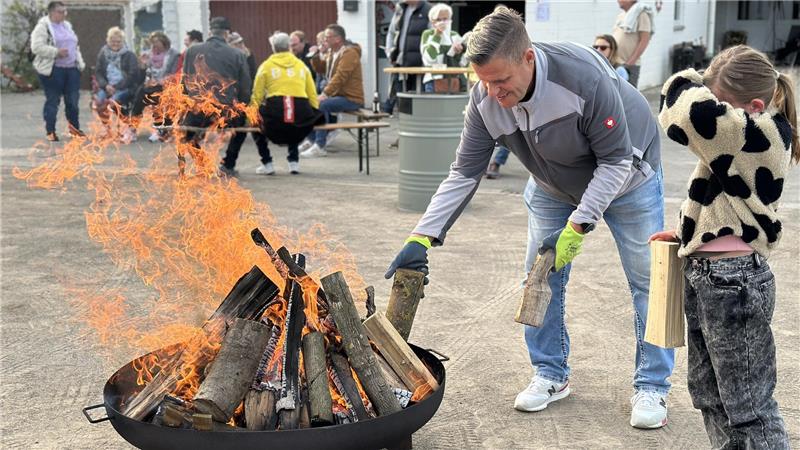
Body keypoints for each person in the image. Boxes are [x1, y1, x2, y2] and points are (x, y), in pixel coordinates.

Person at [385, 6, 674, 429]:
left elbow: (613, 163)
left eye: (502, 80)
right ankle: (551, 375)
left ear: (529, 58)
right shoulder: (485, 99)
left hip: (630, 176)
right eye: (485, 82)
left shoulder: (583, 79)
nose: (495, 93)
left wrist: (577, 227)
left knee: (650, 280)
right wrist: (422, 236)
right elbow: (464, 172)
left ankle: (654, 385)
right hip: (551, 184)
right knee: (538, 276)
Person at [651, 45, 797, 449]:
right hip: (710, 274)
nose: (716, 107)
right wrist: (689, 235)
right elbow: (722, 200)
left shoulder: (758, 132)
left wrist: (702, 79)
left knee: (748, 405)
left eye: (722, 103)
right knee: (710, 395)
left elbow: (679, 101)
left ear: (751, 105)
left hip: (734, 281)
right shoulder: (739, 133)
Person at [225, 32, 321, 176]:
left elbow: (257, 95)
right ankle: (293, 162)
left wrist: (251, 116)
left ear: (273, 48)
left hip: (275, 117)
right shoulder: (301, 66)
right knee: (293, 115)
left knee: (256, 122)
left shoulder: (266, 66)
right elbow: (312, 94)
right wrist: (314, 113)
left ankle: (267, 163)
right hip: (300, 120)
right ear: (289, 47)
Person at [181, 16, 251, 175]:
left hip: (199, 108)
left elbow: (185, 81)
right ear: (227, 33)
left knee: (187, 134)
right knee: (241, 128)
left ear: (210, 32)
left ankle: (203, 164)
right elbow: (245, 87)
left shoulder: (192, 50)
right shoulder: (237, 54)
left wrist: (186, 105)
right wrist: (243, 108)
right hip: (226, 110)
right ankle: (228, 165)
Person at [302, 24, 364, 158]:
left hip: (351, 97)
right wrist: (315, 56)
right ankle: (312, 140)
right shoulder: (332, 52)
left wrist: (324, 94)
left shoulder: (349, 53)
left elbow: (340, 77)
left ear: (338, 39)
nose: (324, 40)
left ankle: (319, 146)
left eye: (327, 37)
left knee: (321, 104)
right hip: (337, 96)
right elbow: (321, 70)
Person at [31, 1, 86, 141]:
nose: (64, 14)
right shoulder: (43, 27)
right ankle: (50, 131)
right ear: (52, 12)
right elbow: (36, 47)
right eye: (61, 11)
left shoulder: (67, 26)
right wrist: (56, 52)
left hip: (71, 69)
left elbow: (75, 46)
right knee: (53, 101)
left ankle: (74, 130)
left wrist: (80, 63)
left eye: (65, 11)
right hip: (53, 70)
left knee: (73, 101)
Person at [127, 31, 180, 143]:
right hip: (150, 85)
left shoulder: (174, 55)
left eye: (156, 43)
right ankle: (132, 129)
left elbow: (175, 74)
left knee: (158, 98)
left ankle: (160, 130)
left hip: (166, 86)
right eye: (152, 43)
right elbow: (140, 77)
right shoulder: (149, 55)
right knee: (140, 95)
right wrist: (143, 65)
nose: (154, 46)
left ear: (164, 43)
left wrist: (160, 81)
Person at [382, 0, 431, 113]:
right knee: (402, 98)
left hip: (420, 65)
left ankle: (418, 124)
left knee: (419, 99)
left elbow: (432, 35)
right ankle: (404, 124)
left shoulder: (428, 10)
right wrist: (389, 52)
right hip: (400, 63)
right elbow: (391, 32)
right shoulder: (401, 9)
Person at [93, 27, 140, 138]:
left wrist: (116, 87)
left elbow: (132, 75)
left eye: (118, 41)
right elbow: (98, 73)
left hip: (125, 87)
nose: (115, 44)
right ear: (108, 41)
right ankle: (107, 128)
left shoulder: (129, 55)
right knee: (99, 103)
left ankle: (128, 126)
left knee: (113, 103)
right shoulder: (103, 54)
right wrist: (106, 86)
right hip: (107, 86)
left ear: (122, 42)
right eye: (113, 41)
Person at [420, 3, 466, 93]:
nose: (442, 22)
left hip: (454, 81)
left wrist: (460, 51)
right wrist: (437, 35)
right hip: (433, 80)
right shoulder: (428, 34)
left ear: (450, 20)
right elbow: (428, 59)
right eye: (438, 19)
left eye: (445, 19)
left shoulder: (454, 35)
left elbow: (463, 63)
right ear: (432, 22)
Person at [611, 0, 654, 88]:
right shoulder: (621, 15)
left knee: (628, 98)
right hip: (616, 63)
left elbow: (644, 40)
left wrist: (630, 63)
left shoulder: (641, 14)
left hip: (629, 65)